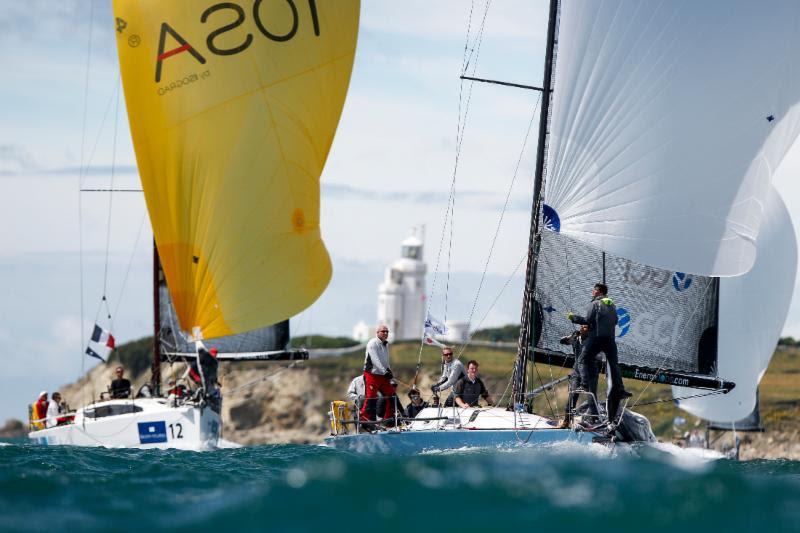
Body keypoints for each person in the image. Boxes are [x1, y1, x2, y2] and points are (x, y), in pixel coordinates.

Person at [568, 282, 632, 425]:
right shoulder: (612, 305)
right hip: (610, 339)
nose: (592, 292)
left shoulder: (595, 304)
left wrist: (573, 317)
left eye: (594, 290)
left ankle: (583, 384)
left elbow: (587, 320)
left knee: (582, 360)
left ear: (598, 292)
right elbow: (615, 321)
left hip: (596, 338)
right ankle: (620, 389)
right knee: (613, 363)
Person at [359, 325, 398, 423]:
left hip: (382, 375)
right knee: (371, 398)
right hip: (372, 375)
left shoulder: (386, 344)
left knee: (391, 395)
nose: (385, 333)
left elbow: (385, 360)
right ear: (377, 333)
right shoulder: (372, 343)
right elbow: (375, 359)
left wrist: (389, 370)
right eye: (383, 331)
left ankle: (388, 419)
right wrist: (384, 371)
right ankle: (364, 420)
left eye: (387, 332)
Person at [558, 324, 589, 428]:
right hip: (576, 372)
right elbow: (562, 341)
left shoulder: (593, 340)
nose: (582, 328)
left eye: (585, 327)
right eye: (582, 326)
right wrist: (570, 337)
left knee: (591, 395)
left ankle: (594, 418)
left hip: (589, 372)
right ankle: (567, 421)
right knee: (573, 395)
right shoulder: (576, 337)